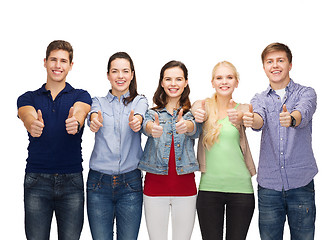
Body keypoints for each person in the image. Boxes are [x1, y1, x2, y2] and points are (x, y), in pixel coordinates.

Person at [17, 40, 92, 240]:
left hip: (72, 182)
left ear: (70, 65)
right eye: (53, 60)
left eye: (63, 61)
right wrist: (32, 124)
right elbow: (27, 115)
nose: (58, 65)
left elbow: (81, 110)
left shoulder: (81, 95)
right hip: (36, 181)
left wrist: (76, 120)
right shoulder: (29, 97)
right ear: (45, 62)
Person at [243, 42, 318, 240]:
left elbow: (304, 110)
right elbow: (258, 119)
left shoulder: (306, 92)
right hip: (269, 186)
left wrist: (292, 118)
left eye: (280, 60)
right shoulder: (259, 98)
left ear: (290, 65)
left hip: (301, 183)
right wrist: (252, 120)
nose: (275, 65)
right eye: (270, 61)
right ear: (264, 67)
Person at [86, 52, 148, 240]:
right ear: (108, 75)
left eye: (125, 71)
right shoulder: (98, 101)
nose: (120, 76)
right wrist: (94, 121)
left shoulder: (140, 100)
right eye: (115, 71)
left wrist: (137, 122)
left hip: (130, 184)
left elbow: (140, 115)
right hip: (98, 184)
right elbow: (93, 115)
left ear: (132, 74)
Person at [192, 61, 256, 240]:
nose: (224, 81)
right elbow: (194, 111)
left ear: (237, 82)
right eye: (219, 78)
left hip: (241, 190)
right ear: (212, 82)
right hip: (209, 190)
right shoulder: (203, 106)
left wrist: (244, 116)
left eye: (229, 77)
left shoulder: (243, 109)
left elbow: (253, 118)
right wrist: (197, 115)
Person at [138, 60, 200, 240]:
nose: (173, 84)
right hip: (154, 188)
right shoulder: (152, 113)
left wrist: (187, 126)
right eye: (168, 79)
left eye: (178, 79)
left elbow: (196, 128)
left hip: (186, 189)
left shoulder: (193, 113)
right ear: (162, 82)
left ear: (186, 82)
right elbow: (145, 125)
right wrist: (151, 129)